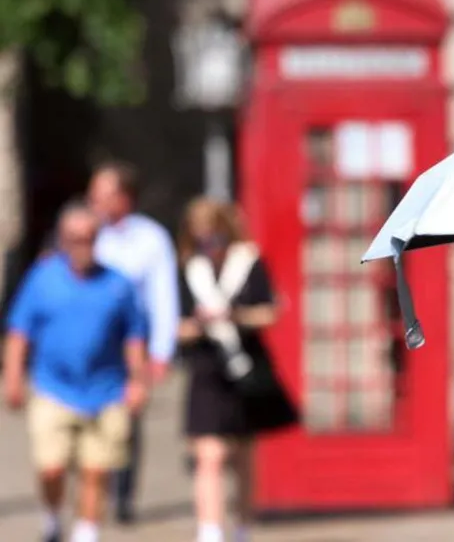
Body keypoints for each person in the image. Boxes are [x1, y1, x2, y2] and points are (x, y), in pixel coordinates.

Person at [2, 202, 148, 542]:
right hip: (54, 387)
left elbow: (134, 337)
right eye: (75, 239)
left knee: (95, 470)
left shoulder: (118, 284)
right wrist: (12, 377)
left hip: (106, 389)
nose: (83, 246)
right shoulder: (43, 278)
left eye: (90, 238)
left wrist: (138, 381)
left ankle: (87, 530)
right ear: (63, 240)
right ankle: (52, 515)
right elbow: (19, 332)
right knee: (51, 466)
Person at [176, 198, 297, 542]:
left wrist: (234, 316)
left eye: (212, 234)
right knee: (209, 455)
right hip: (206, 366)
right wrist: (196, 325)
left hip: (245, 365)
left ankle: (243, 526)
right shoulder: (189, 268)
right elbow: (173, 325)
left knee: (243, 454)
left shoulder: (248, 262)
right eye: (200, 235)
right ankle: (210, 532)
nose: (207, 242)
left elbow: (270, 311)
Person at [87, 159, 180, 523]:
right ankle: (93, 492)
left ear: (124, 198)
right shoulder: (83, 231)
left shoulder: (150, 238)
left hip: (132, 342)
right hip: (91, 341)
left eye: (103, 194)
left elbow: (162, 296)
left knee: (125, 421)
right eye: (93, 193)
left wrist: (161, 351)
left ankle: (122, 495)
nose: (94, 200)